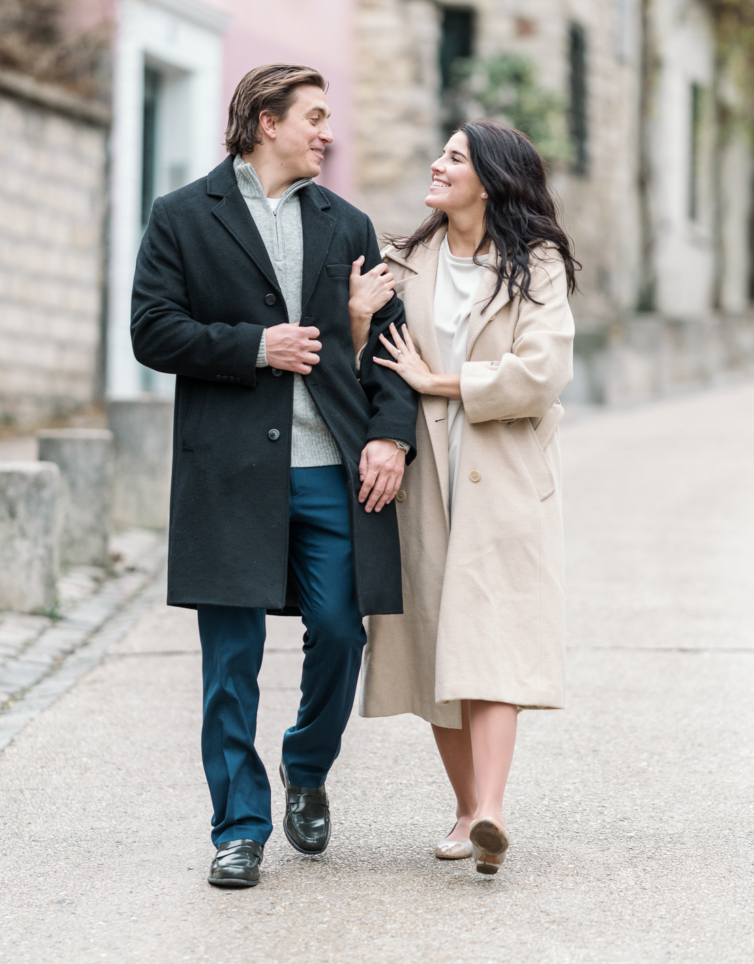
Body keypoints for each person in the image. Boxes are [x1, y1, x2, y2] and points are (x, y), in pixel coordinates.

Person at [130, 64, 417, 890]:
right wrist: (256, 346)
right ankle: (238, 827)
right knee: (230, 662)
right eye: (315, 117)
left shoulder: (349, 223)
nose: (328, 132)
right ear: (265, 121)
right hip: (227, 473)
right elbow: (152, 331)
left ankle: (307, 764)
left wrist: (390, 437)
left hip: (330, 467)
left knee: (339, 630)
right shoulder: (183, 216)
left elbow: (390, 350)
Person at [355, 120, 576, 877]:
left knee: (492, 638)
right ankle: (464, 809)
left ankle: (492, 810)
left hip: (502, 472)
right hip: (421, 476)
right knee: (433, 643)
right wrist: (356, 319)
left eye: (454, 156)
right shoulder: (402, 261)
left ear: (490, 178)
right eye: (441, 152)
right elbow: (368, 363)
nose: (437, 163)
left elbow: (540, 373)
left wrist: (441, 382)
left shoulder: (535, 265)